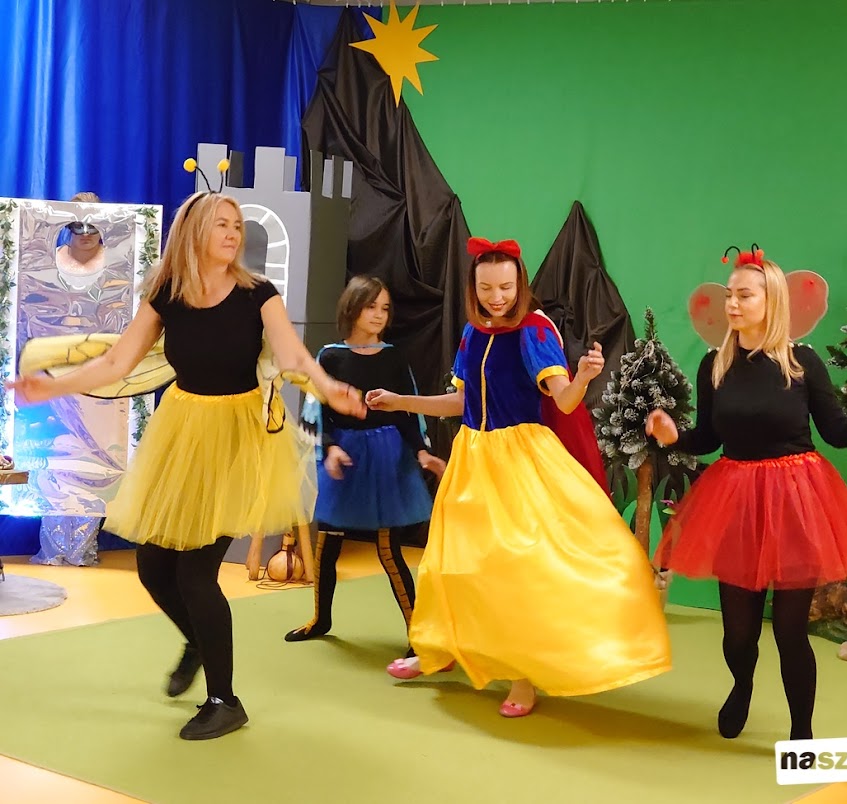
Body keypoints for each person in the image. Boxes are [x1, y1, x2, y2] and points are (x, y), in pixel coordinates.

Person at [8, 189, 365, 741]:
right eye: (221, 223)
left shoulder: (258, 294)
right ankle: (199, 642)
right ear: (193, 232)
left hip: (236, 439)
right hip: (182, 431)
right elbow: (117, 361)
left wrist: (327, 386)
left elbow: (293, 355)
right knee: (153, 566)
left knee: (196, 573)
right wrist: (52, 386)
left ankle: (225, 700)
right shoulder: (167, 296)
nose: (232, 233)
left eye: (236, 225)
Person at [367, 237, 671, 718]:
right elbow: (460, 403)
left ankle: (522, 676)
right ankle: (437, 648)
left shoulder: (534, 331)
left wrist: (584, 376)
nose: (496, 297)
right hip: (472, 459)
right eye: (486, 287)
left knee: (516, 572)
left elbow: (563, 400)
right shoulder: (472, 334)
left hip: (520, 462)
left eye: (506, 287)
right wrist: (400, 401)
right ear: (473, 287)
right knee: (450, 563)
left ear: (520, 284)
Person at [645, 246, 847, 741]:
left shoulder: (802, 363)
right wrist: (673, 437)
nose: (732, 304)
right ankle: (742, 684)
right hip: (735, 501)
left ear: (771, 300)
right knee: (738, 634)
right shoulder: (714, 365)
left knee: (791, 632)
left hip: (795, 501)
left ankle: (801, 733)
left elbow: (837, 432)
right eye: (729, 295)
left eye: (744, 295)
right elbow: (706, 438)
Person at [285, 276, 446, 652]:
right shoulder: (330, 357)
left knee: (388, 549)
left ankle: (417, 633)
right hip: (345, 458)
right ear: (352, 307)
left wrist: (421, 451)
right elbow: (317, 410)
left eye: (385, 308)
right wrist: (330, 449)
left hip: (386, 459)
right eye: (371, 306)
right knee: (328, 543)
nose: (378, 315)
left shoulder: (394, 357)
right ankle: (320, 618)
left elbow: (407, 411)